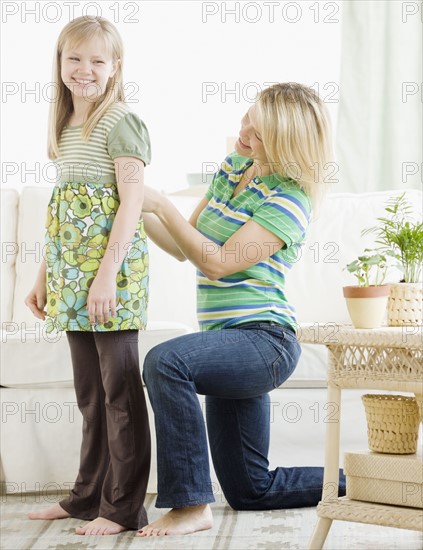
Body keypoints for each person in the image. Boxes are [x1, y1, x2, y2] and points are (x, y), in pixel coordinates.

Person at [136, 82, 346, 537]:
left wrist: (162, 204)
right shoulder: (234, 168)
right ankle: (362, 482)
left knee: (165, 361)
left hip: (264, 342)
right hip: (226, 343)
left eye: (261, 127)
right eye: (249, 114)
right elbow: (180, 246)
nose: (245, 127)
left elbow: (217, 263)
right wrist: (135, 203)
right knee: (253, 491)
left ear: (288, 141)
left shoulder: (290, 200)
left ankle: (190, 505)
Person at [24, 16, 151, 536]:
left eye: (98, 61)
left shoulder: (121, 121)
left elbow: (132, 201)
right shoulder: (64, 125)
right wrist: (45, 277)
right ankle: (86, 497)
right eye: (74, 59)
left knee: (119, 391)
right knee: (90, 392)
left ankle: (123, 507)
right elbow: (63, 215)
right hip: (72, 279)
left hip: (110, 280)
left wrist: (105, 278)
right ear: (60, 64)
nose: (85, 70)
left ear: (115, 68)